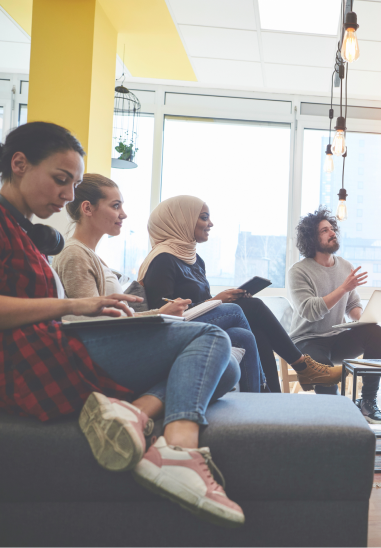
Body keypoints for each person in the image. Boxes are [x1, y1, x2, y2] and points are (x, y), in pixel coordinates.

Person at [0, 121, 244, 527]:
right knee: (213, 334)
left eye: (74, 185)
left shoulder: (29, 235)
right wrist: (74, 304)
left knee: (228, 367)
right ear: (19, 164)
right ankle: (178, 449)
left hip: (58, 345)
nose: (68, 195)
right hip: (41, 359)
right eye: (61, 180)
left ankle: (135, 412)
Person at [52, 175, 265, 392]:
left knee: (242, 336)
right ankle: (267, 393)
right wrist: (158, 315)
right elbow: (93, 327)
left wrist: (161, 312)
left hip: (125, 336)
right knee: (234, 311)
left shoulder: (92, 257)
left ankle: (259, 404)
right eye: (116, 206)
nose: (123, 214)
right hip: (117, 348)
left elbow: (110, 319)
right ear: (88, 208)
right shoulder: (75, 254)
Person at [137, 195, 340, 393]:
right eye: (204, 217)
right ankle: (303, 366)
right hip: (177, 331)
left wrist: (221, 299)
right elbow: (162, 315)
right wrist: (218, 300)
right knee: (249, 307)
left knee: (252, 333)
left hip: (199, 322)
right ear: (182, 221)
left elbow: (200, 303)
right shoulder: (162, 259)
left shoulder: (195, 260)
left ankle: (271, 400)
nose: (211, 224)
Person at [286, 207, 381, 424]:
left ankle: (368, 402)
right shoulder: (298, 271)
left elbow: (352, 304)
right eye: (325, 230)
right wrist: (343, 288)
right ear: (312, 238)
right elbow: (309, 311)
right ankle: (337, 415)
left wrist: (363, 318)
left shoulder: (345, 266)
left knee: (375, 332)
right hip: (307, 341)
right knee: (324, 367)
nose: (332, 232)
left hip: (336, 338)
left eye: (332, 228)